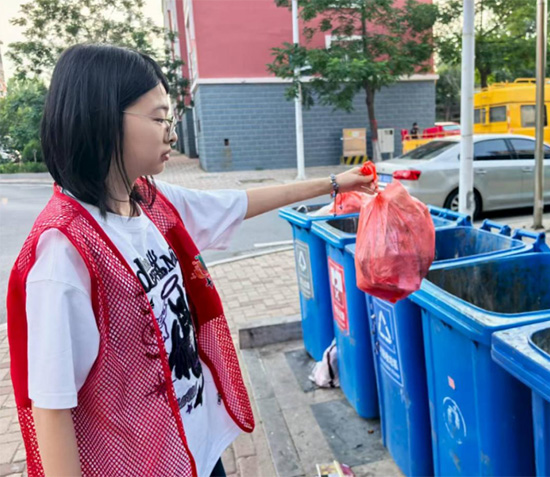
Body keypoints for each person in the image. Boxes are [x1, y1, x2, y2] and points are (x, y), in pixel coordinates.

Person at [6, 44, 375, 477]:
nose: (171, 135)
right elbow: (52, 407)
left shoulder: (148, 202)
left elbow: (238, 202)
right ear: (102, 118)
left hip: (195, 446)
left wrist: (335, 183)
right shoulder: (65, 253)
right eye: (159, 118)